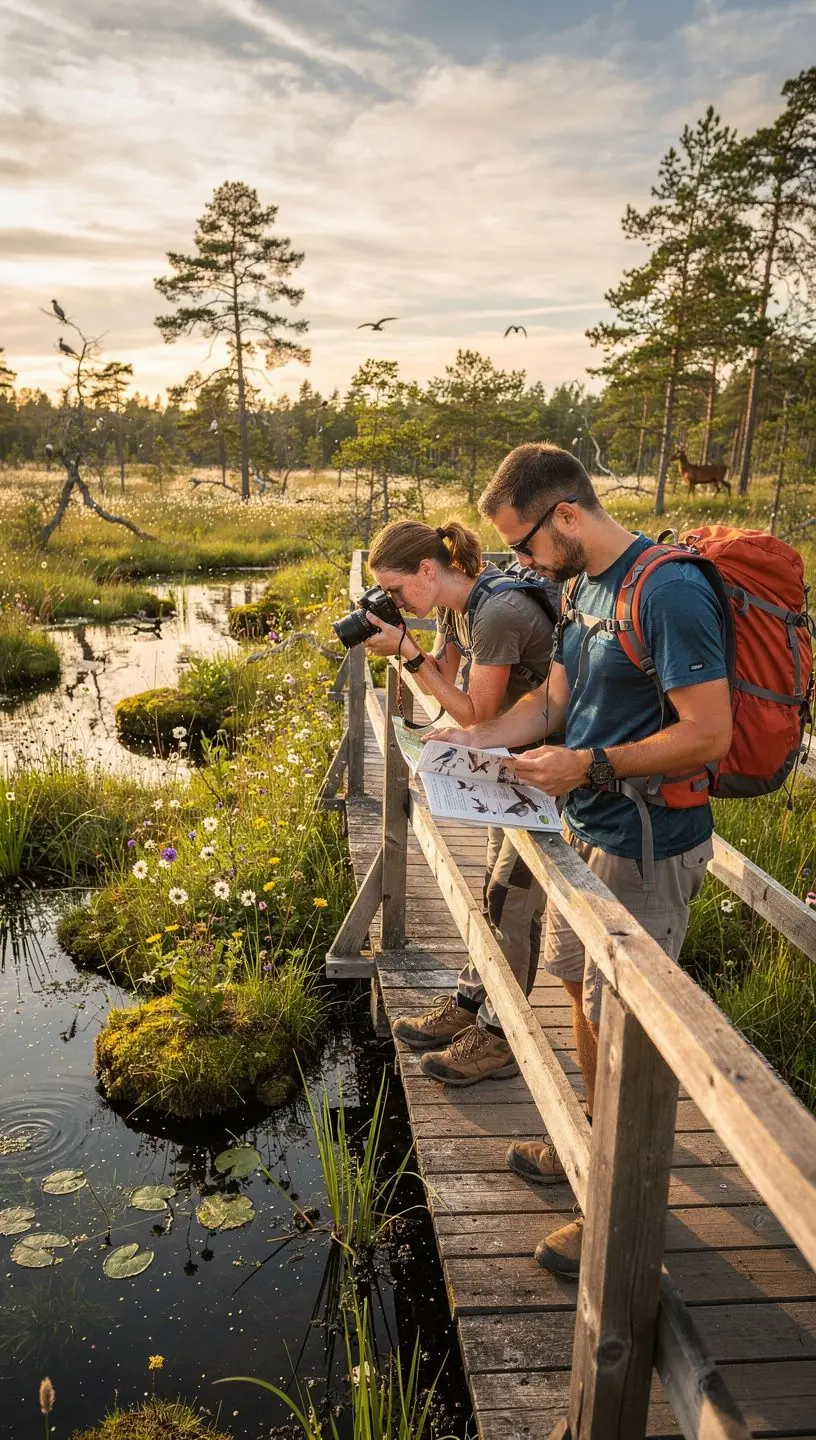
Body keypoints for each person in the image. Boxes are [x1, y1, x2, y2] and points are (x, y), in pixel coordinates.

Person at [430, 443, 732, 1279]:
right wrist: (472, 741)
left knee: (630, 1028)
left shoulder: (665, 590)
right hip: (587, 831)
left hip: (647, 844)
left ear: (566, 514)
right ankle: (590, 1153)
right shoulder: (579, 587)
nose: (514, 564)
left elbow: (710, 732)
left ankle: (620, 1217)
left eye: (521, 545)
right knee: (579, 989)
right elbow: (557, 700)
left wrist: (588, 766)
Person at [362, 517, 557, 1085]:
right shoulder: (456, 606)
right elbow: (442, 682)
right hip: (511, 768)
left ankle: (499, 1039)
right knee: (493, 893)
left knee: (510, 900)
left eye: (397, 590)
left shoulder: (497, 613)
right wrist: (409, 649)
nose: (396, 600)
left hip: (548, 775)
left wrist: (407, 650)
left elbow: (475, 711)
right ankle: (472, 1003)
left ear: (429, 570)